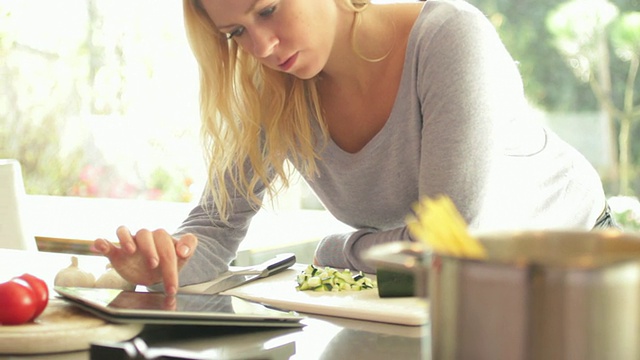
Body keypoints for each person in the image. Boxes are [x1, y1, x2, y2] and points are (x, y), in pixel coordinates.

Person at [91, 0, 612, 295]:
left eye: (268, 9)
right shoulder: (273, 92)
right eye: (235, 34)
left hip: (578, 267)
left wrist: (338, 250)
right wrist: (165, 263)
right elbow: (213, 230)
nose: (261, 47)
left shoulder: (450, 38)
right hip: (439, 290)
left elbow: (449, 241)